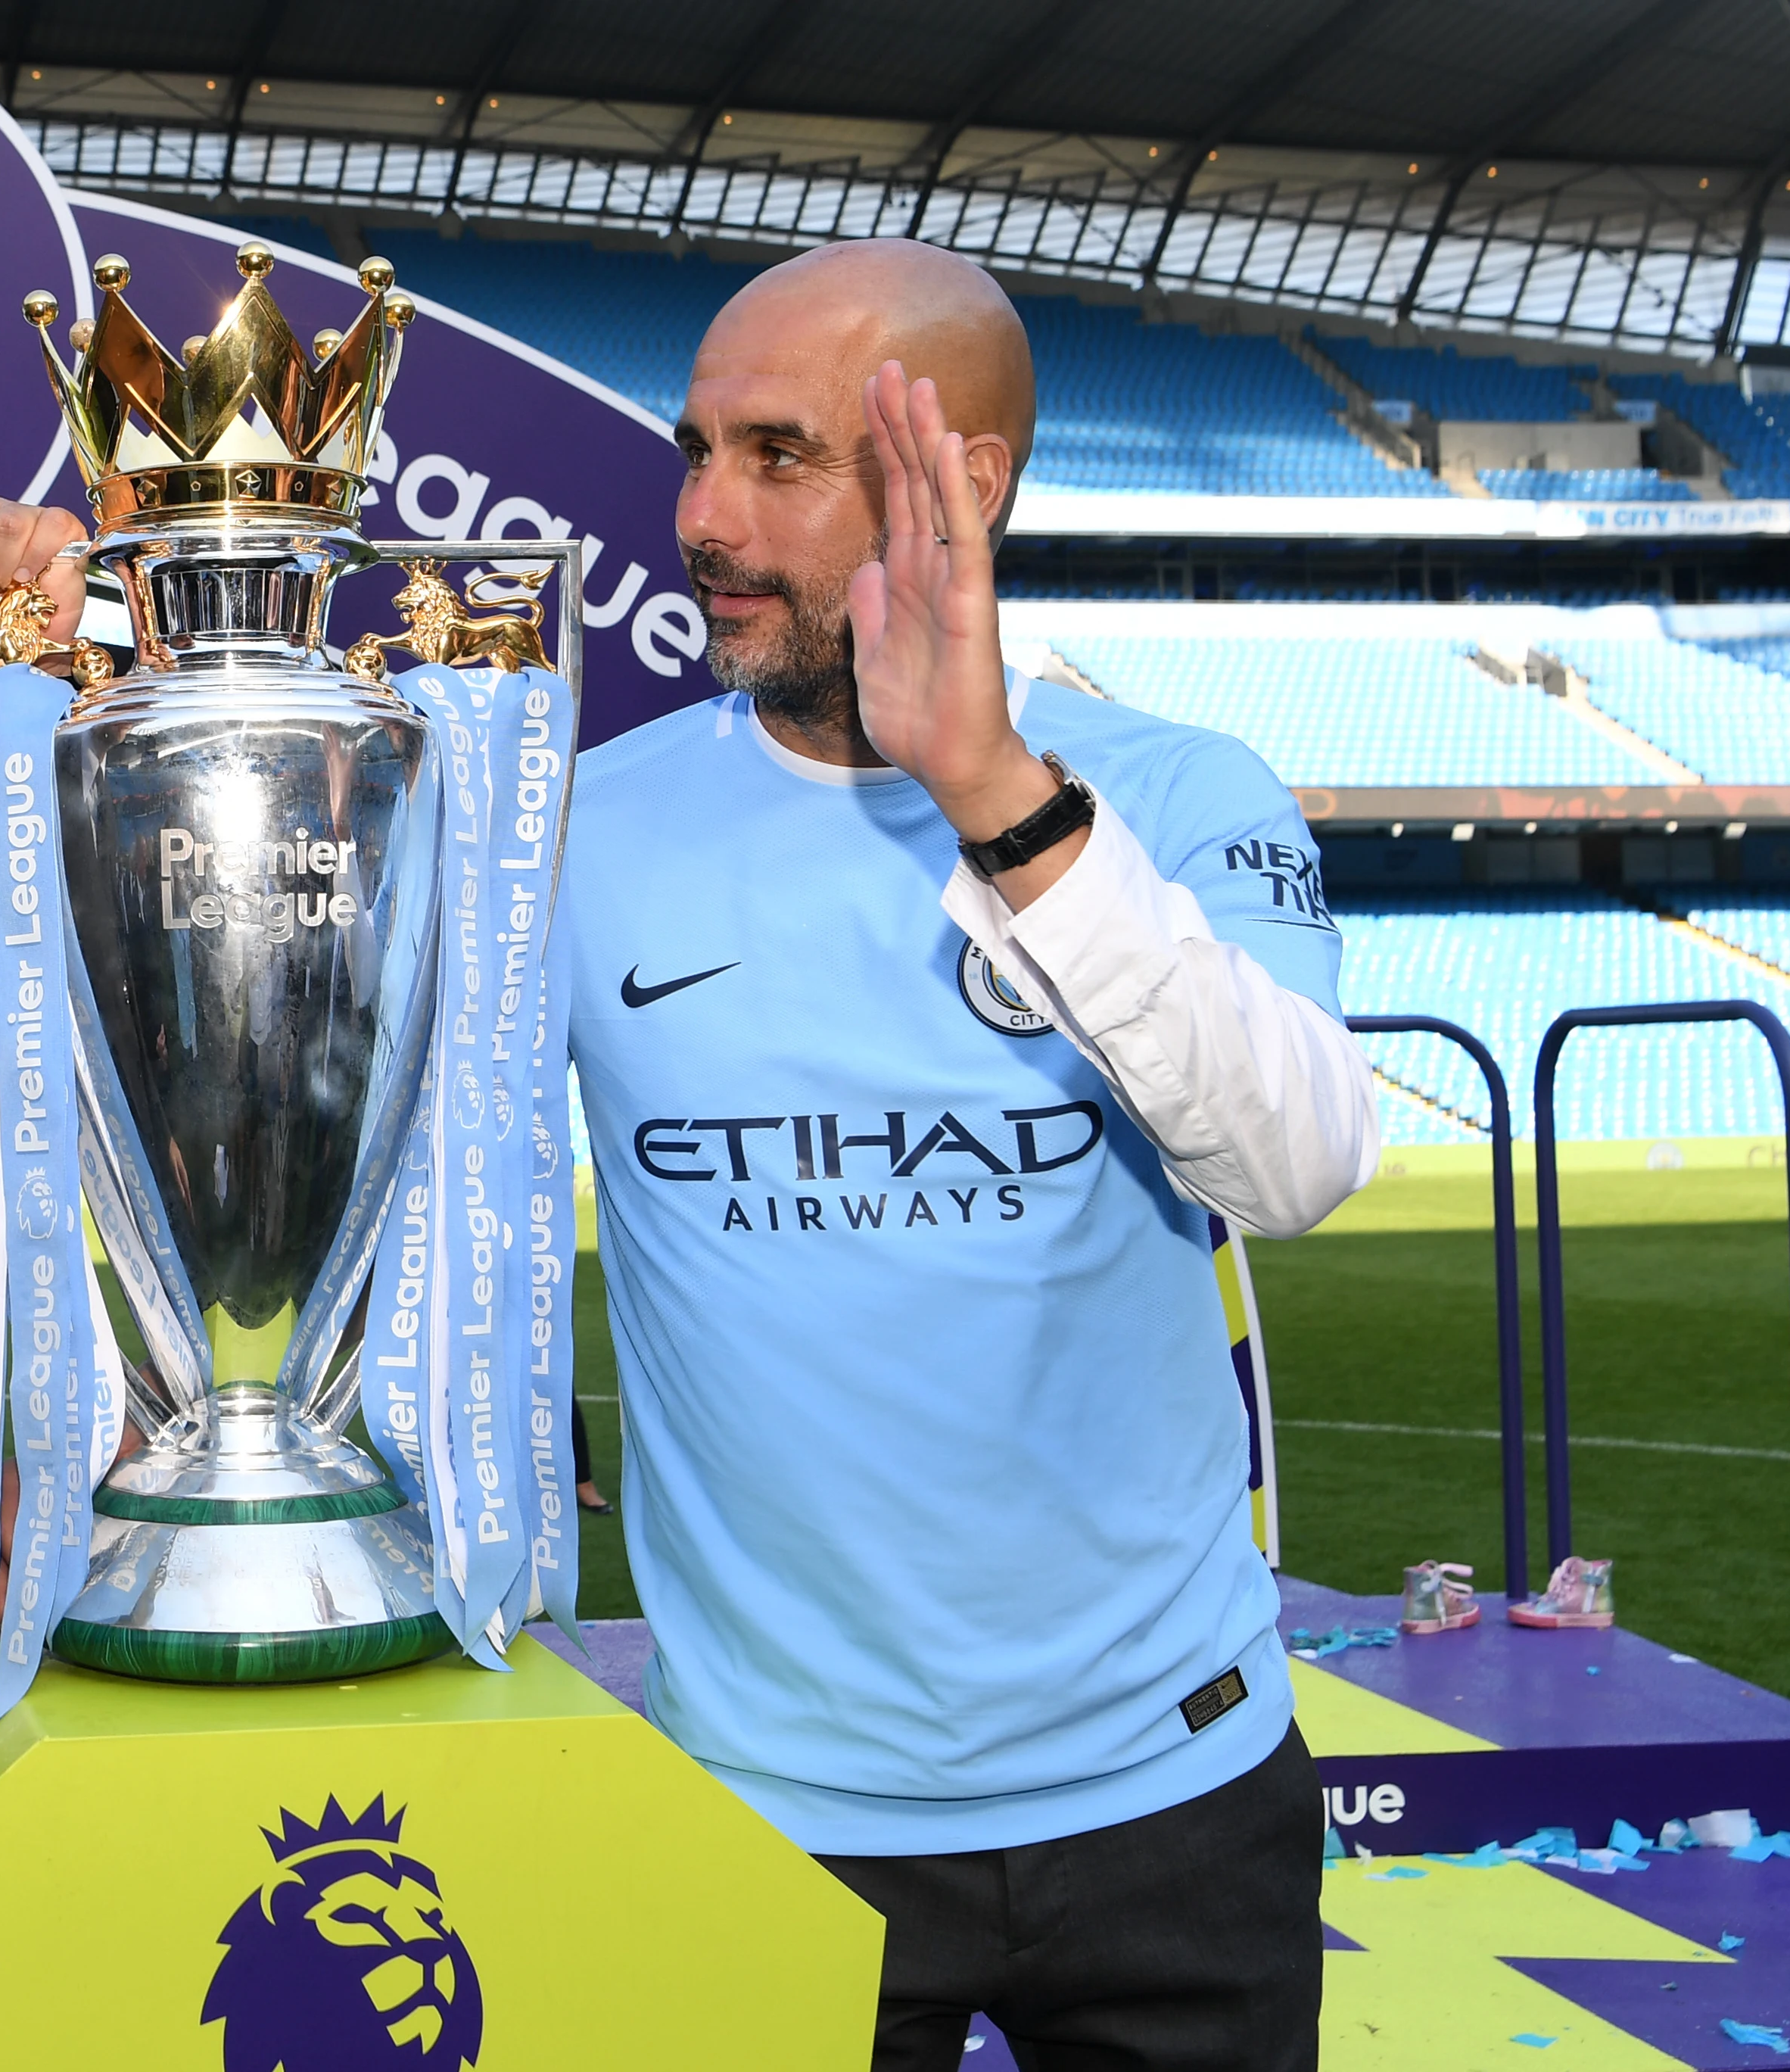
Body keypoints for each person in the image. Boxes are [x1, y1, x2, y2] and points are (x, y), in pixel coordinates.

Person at [562, 241, 1379, 2069]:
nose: (701, 516)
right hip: (772, 1805)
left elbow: (1297, 1163)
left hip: (1176, 1792)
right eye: (694, 450)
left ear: (964, 481)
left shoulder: (1174, 796)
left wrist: (997, 798)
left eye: (777, 457)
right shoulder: (584, 824)